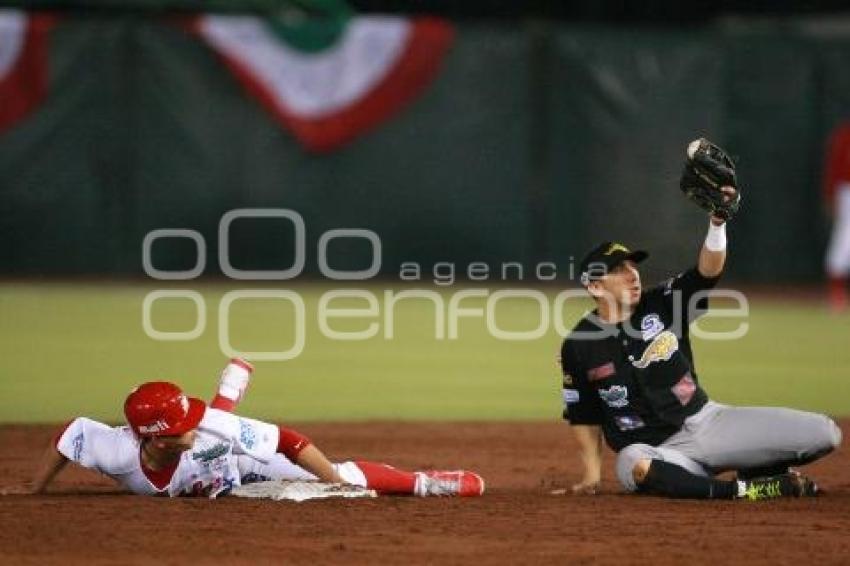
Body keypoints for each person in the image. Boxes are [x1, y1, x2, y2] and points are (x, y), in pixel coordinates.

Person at [559, 186, 842, 501]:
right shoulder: (578, 343)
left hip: (707, 423)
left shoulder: (664, 303)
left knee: (826, 434)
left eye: (633, 266)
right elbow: (583, 413)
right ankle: (749, 489)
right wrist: (591, 475)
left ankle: (751, 468)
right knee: (633, 464)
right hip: (659, 452)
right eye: (619, 270)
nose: (632, 275)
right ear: (596, 286)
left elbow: (707, 272)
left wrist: (717, 224)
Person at [3, 358, 485, 498]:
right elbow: (70, 435)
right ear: (152, 436)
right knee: (217, 427)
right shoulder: (114, 449)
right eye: (178, 425)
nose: (190, 426)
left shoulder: (204, 429)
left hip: (245, 468)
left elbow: (291, 442)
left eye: (189, 419)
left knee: (338, 476)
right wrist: (36, 489)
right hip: (212, 462)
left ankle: (425, 483)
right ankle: (231, 384)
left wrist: (332, 481)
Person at [822, 123, 850, 312]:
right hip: (847, 191)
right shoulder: (844, 136)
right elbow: (834, 167)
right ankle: (836, 292)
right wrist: (831, 194)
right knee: (844, 238)